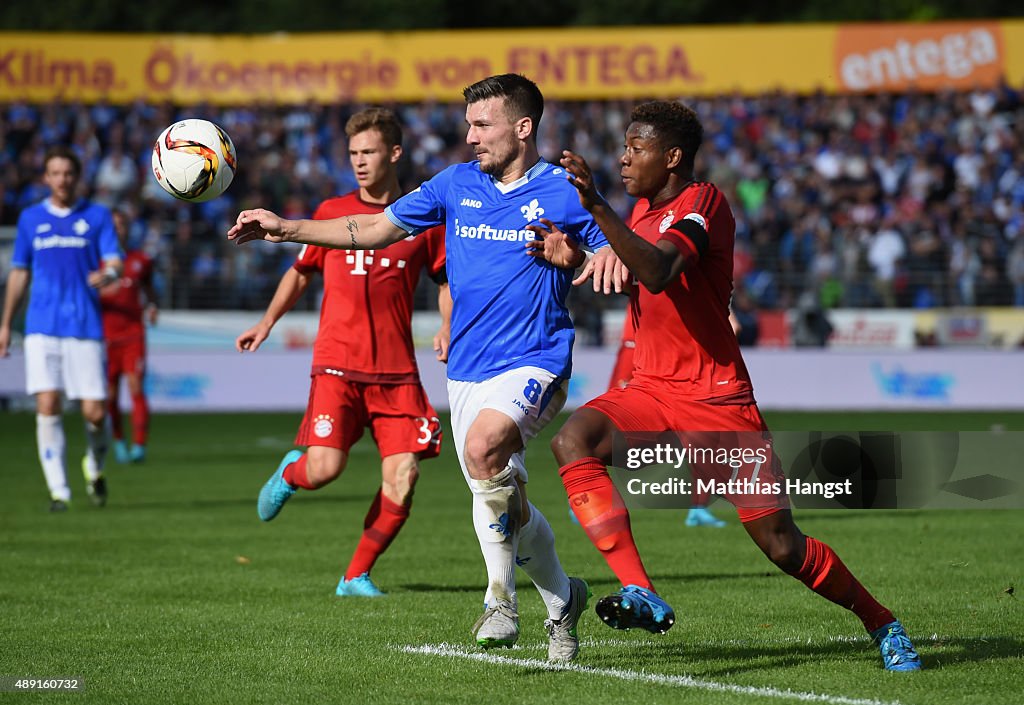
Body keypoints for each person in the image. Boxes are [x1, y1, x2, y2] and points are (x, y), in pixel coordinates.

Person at [228, 74, 608, 662]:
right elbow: (375, 229)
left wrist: (581, 254)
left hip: (536, 358)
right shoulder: (455, 184)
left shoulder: (565, 190)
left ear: (523, 128)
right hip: (468, 369)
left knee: (485, 451)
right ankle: (562, 601)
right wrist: (287, 228)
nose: (470, 135)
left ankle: (499, 599)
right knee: (504, 498)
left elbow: (619, 256)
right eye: (469, 124)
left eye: (483, 124)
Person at [546, 101, 921, 671]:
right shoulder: (642, 213)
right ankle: (641, 590)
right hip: (651, 388)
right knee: (573, 441)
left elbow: (660, 271)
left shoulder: (705, 203)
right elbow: (640, 281)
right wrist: (577, 254)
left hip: (715, 400)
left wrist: (596, 206)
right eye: (623, 147)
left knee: (783, 547)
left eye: (635, 147)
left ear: (672, 156)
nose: (623, 158)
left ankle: (881, 621)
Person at [236, 108, 448, 598]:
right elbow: (301, 272)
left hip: (397, 373)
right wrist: (266, 323)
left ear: (394, 153)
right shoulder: (331, 213)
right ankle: (292, 472)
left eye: (368, 151)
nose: (359, 161)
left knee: (405, 476)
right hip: (337, 364)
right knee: (326, 469)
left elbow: (444, 282)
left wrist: (447, 324)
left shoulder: (422, 216)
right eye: (353, 153)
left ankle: (355, 575)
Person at [0, 146, 122, 511]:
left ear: (77, 177)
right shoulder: (30, 219)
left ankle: (94, 465)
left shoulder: (97, 216)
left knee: (95, 413)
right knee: (48, 403)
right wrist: (6, 323)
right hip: (41, 327)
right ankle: (59, 491)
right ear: (46, 178)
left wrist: (110, 273)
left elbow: (115, 260)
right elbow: (20, 271)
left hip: (84, 325)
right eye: (55, 173)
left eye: (68, 173)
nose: (62, 180)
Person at [608, 310, 726, 528]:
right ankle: (587, 493)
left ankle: (698, 507)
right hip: (638, 347)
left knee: (701, 433)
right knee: (615, 429)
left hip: (675, 352)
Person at [100, 208, 158, 464]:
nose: (117, 229)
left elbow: (149, 289)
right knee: (110, 395)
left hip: (133, 334)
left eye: (121, 225)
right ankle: (118, 441)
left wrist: (153, 306)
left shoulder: (140, 260)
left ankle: (140, 445)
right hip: (104, 337)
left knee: (135, 387)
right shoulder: (96, 262)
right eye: (112, 225)